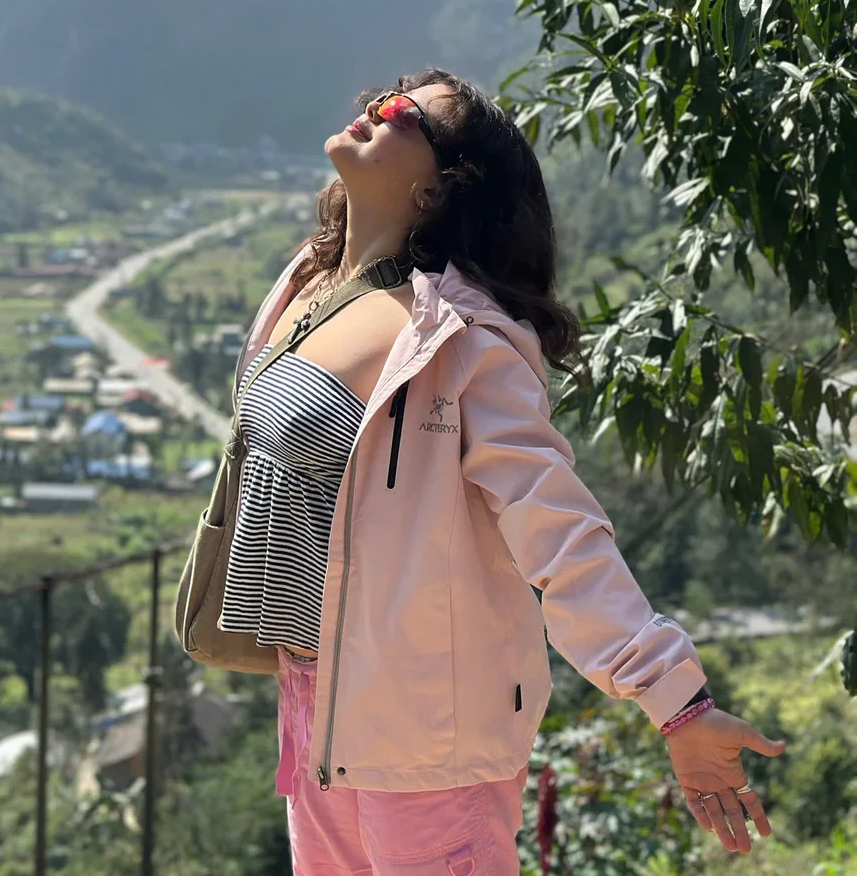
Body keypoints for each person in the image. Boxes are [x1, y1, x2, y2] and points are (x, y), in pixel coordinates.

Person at [214, 69, 787, 875]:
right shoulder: (308, 285)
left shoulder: (464, 341)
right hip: (315, 702)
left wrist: (675, 701)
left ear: (448, 183)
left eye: (408, 114)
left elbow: (555, 527)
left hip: (426, 736)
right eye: (381, 98)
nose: (379, 109)